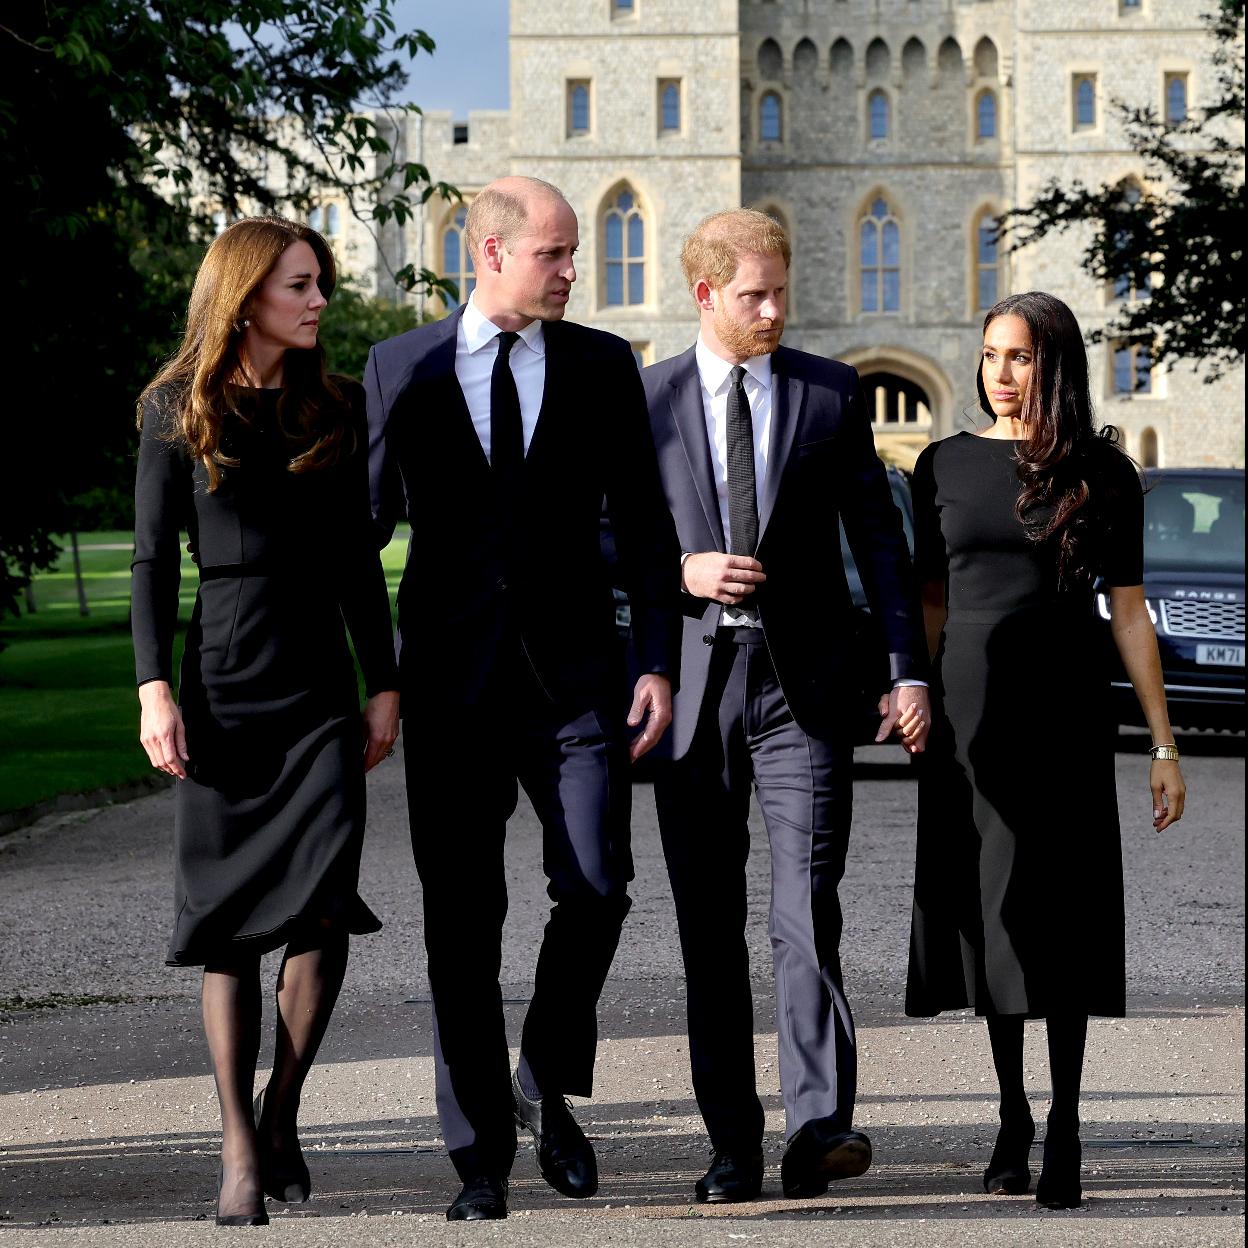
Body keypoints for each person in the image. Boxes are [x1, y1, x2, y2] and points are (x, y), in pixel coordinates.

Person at [364, 176, 680, 1222]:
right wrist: (366, 671)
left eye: (574, 254)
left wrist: (658, 661)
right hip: (451, 688)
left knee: (596, 883)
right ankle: (480, 1158)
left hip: (578, 680)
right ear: (490, 253)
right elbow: (359, 535)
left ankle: (543, 1076)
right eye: (553, 253)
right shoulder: (399, 366)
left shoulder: (600, 364)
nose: (571, 271)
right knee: (463, 921)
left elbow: (644, 522)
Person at [641, 208, 930, 1204]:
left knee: (807, 904)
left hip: (802, 690)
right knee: (708, 926)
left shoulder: (829, 392)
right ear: (707, 294)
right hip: (691, 694)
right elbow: (603, 545)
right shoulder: (649, 401)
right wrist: (684, 567)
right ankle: (731, 1143)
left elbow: (881, 543)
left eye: (781, 291)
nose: (774, 310)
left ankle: (819, 1125)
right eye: (754, 295)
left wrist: (907, 668)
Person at [131, 217, 400, 1227]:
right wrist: (154, 688)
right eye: (302, 283)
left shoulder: (336, 407)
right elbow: (154, 562)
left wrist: (385, 682)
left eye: (320, 281)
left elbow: (357, 566)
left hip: (318, 697)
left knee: (323, 904)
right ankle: (241, 1153)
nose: (321, 298)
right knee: (227, 931)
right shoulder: (174, 409)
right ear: (247, 296)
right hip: (224, 693)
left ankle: (282, 1109)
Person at [905, 291, 1187, 1210]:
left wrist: (1163, 742)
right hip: (969, 716)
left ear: (1053, 364)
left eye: (1020, 356)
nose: (1001, 372)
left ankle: (1064, 1120)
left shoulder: (1103, 474)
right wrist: (915, 690)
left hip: (1067, 712)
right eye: (991, 354)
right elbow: (932, 601)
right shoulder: (941, 464)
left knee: (1061, 913)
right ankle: (1013, 1112)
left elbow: (1131, 611)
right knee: (993, 915)